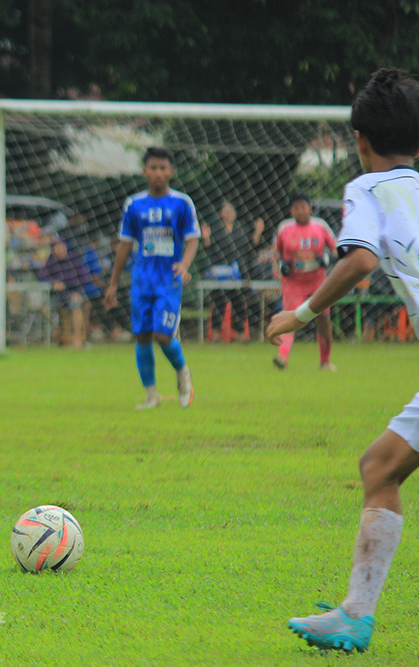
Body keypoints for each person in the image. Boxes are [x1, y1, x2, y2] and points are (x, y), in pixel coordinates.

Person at [267, 67, 419, 654]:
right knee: (381, 467)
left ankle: (356, 614)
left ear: (359, 141)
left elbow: (358, 263)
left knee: (381, 468)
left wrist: (300, 316)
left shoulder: (367, 190)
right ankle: (355, 614)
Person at [103, 147, 200, 410]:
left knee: (163, 334)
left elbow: (192, 238)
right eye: (153, 168)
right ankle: (151, 396)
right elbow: (125, 244)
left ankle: (182, 373)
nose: (158, 173)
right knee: (143, 335)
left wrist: (185, 263)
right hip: (141, 280)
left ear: (171, 171)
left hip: (168, 280)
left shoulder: (182, 203)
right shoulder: (134, 205)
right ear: (145, 171)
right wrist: (113, 283)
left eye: (163, 168)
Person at [272, 192, 338, 370]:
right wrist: (281, 264)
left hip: (317, 281)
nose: (300, 211)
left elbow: (335, 249)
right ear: (290, 211)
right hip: (293, 282)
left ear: (310, 208)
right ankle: (282, 357)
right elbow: (276, 252)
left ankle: (325, 361)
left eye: (303, 207)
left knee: (323, 319)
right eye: (296, 208)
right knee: (291, 317)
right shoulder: (284, 228)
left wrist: (327, 258)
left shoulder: (320, 227)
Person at [200, 200, 267, 341]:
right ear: (221, 214)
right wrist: (206, 238)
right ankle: (216, 333)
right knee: (218, 300)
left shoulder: (241, 229)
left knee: (239, 301)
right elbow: (208, 248)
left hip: (238, 272)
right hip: (220, 272)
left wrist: (257, 232)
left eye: (231, 210)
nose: (229, 213)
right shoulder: (216, 229)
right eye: (226, 211)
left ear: (235, 213)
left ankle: (241, 333)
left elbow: (250, 248)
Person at [38, 237, 90, 348]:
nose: (60, 250)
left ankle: (77, 338)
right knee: (43, 308)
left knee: (76, 304)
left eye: (62, 247)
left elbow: (85, 278)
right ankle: (62, 333)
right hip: (57, 296)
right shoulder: (51, 262)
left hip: (73, 293)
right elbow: (41, 276)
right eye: (57, 247)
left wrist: (74, 289)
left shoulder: (74, 260)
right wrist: (53, 283)